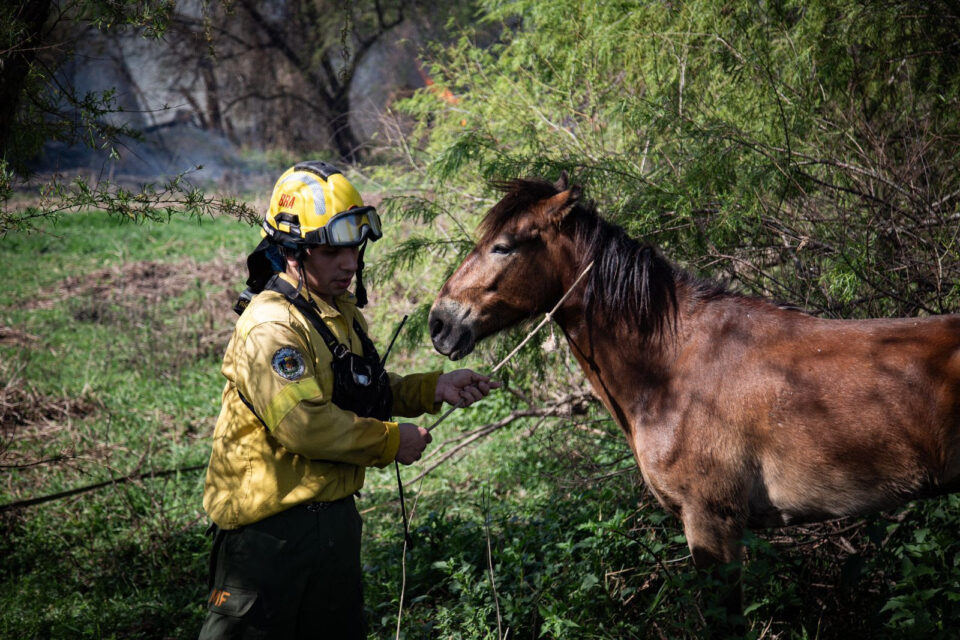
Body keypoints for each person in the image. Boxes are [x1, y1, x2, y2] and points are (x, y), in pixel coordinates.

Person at [199, 160, 498, 639]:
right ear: (294, 250)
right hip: (268, 538)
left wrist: (432, 387)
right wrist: (389, 442)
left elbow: (362, 387)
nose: (350, 263)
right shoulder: (271, 326)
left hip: (335, 525)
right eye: (332, 250)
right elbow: (305, 424)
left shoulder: (335, 311)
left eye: (353, 249)